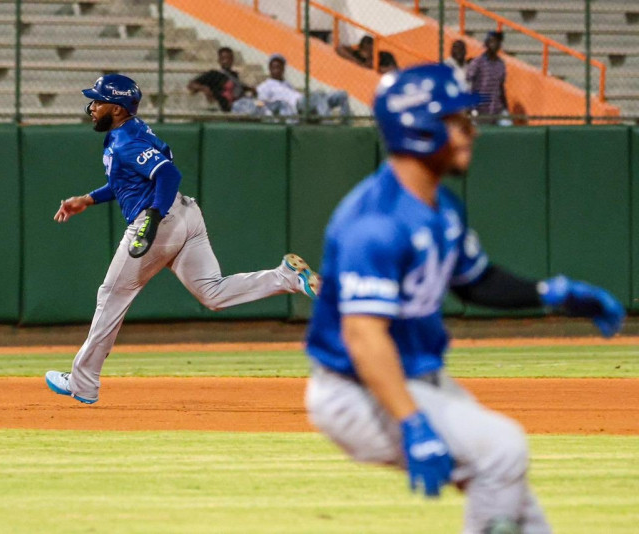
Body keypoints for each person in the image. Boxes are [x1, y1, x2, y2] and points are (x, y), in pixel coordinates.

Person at [304, 63, 624, 534]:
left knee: (518, 506)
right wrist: (411, 422)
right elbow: (362, 335)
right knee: (503, 448)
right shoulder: (373, 222)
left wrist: (552, 294)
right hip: (358, 389)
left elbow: (477, 282)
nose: (471, 131)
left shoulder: (442, 205)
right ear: (420, 129)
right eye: (457, 122)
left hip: (416, 379)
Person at [45, 74, 321, 404]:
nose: (91, 107)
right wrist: (88, 199)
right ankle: (286, 278)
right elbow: (129, 181)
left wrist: (153, 214)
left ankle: (83, 383)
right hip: (185, 215)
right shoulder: (129, 130)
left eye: (98, 101)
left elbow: (168, 174)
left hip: (160, 221)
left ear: (117, 109)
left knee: (112, 295)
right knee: (212, 293)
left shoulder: (126, 141)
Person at [255, 54, 350, 120]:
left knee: (342, 94)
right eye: (274, 67)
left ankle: (346, 122)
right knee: (318, 95)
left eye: (279, 67)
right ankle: (328, 123)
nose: (277, 70)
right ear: (270, 68)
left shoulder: (287, 84)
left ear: (283, 68)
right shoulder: (265, 86)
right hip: (296, 107)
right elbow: (261, 104)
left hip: (304, 102)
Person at [187, 47, 256, 113]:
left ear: (232, 60)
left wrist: (250, 89)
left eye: (229, 59)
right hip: (223, 109)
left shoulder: (234, 75)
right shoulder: (213, 74)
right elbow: (191, 84)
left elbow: (239, 88)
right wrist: (204, 88)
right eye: (223, 58)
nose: (226, 61)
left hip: (238, 108)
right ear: (219, 60)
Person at [467, 31, 508, 121]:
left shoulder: (501, 64)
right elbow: (468, 83)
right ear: (486, 43)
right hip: (479, 108)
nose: (495, 45)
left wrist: (506, 108)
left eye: (498, 42)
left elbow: (501, 87)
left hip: (496, 108)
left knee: (507, 127)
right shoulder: (477, 62)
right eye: (492, 41)